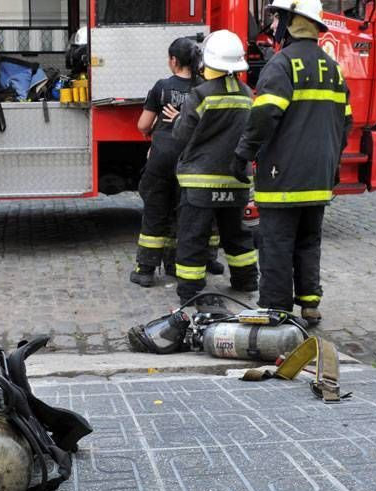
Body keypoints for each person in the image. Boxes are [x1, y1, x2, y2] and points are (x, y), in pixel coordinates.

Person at [233, 0, 352, 325]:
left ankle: (276, 307)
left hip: (282, 176)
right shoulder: (334, 68)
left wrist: (243, 153)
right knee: (309, 241)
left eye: (276, 19)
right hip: (319, 178)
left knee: (276, 244)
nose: (272, 26)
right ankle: (310, 304)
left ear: (291, 20)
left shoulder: (282, 64)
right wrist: (332, 162)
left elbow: (264, 115)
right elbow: (346, 123)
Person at [169, 30, 259, 305]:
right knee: (238, 235)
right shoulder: (247, 94)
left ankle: (191, 289)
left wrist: (176, 121)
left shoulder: (200, 94)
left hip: (200, 183)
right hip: (236, 180)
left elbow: (182, 136)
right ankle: (246, 280)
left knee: (193, 236)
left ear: (207, 61)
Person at [130, 37, 204, 287]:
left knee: (154, 211)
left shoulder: (162, 87)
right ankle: (175, 265)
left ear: (174, 61)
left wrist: (153, 133)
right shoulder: (204, 88)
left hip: (161, 159)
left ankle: (145, 270)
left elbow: (142, 125)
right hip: (190, 163)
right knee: (181, 215)